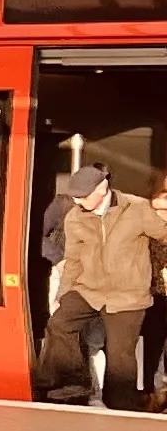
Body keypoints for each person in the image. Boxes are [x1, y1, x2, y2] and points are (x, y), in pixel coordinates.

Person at [45, 164, 163, 407]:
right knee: (59, 323)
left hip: (128, 295)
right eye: (75, 196)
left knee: (120, 356)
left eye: (83, 195)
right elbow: (74, 260)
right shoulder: (75, 217)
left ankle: (123, 403)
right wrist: (64, 292)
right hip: (89, 290)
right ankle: (69, 388)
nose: (78, 201)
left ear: (102, 188)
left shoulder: (136, 208)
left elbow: (163, 233)